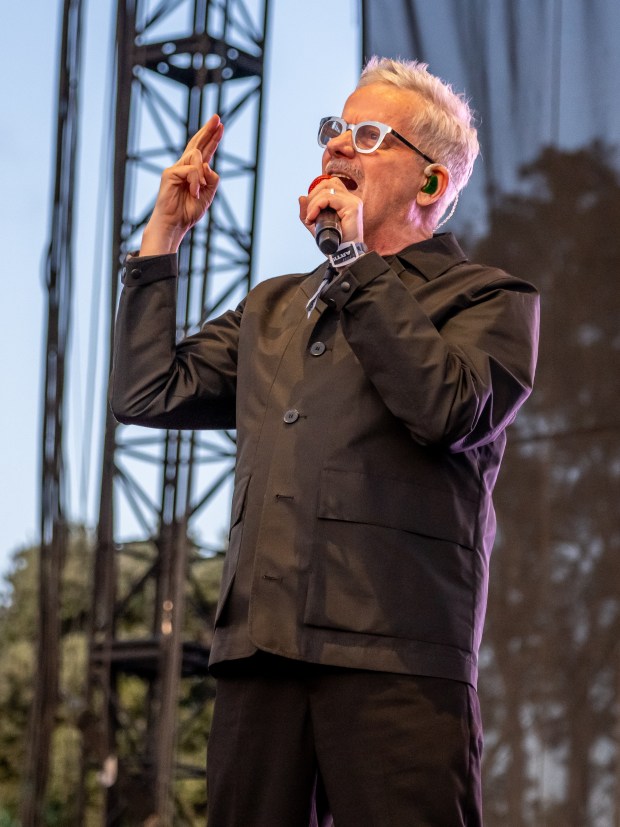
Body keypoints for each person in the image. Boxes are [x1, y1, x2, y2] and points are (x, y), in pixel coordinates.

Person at [111, 57, 539, 826]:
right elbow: (148, 391)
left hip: (395, 661)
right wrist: (162, 236)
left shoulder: (488, 300)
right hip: (259, 656)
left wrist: (351, 262)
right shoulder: (276, 307)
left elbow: (445, 406)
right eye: (335, 130)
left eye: (368, 135)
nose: (338, 146)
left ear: (431, 184)